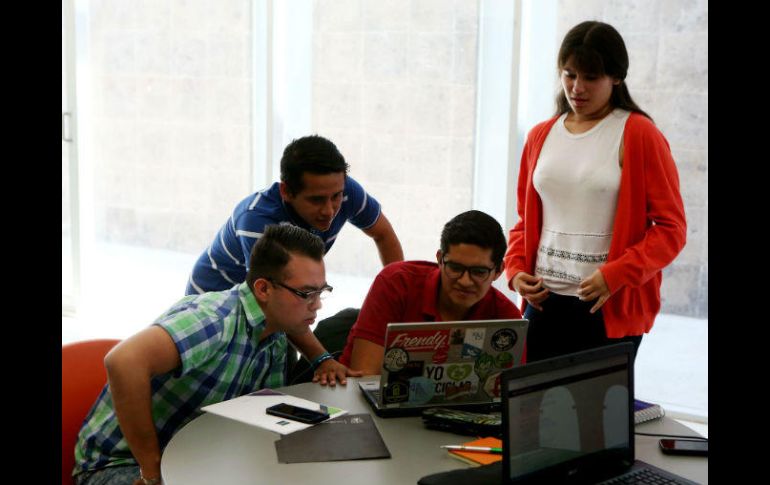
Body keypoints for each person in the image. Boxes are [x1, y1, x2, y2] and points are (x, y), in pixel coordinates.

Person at [73, 225, 340, 485]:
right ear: (263, 289)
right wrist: (152, 471)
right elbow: (123, 361)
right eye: (306, 293)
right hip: (122, 464)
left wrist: (322, 359)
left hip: (196, 457)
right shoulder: (215, 321)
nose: (316, 305)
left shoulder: (276, 328)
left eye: (321, 291)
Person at [503, 21, 686, 363]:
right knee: (532, 411)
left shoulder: (638, 134)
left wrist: (615, 275)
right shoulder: (540, 136)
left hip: (606, 306)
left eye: (590, 77)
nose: (577, 88)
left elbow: (671, 230)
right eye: (569, 74)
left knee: (597, 414)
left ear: (616, 77)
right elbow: (525, 222)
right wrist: (514, 271)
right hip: (543, 302)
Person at [186, 134, 404, 384]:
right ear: (286, 192)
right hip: (220, 307)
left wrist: (394, 304)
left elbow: (383, 235)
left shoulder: (343, 191)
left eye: (336, 196)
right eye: (316, 200)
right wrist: (322, 359)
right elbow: (272, 300)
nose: (330, 209)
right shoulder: (257, 219)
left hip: (275, 302)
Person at [339, 210, 523, 375]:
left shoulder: (507, 318)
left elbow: (510, 394)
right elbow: (364, 376)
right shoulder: (396, 282)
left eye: (479, 272)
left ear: (498, 271)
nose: (465, 281)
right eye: (455, 267)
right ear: (440, 260)